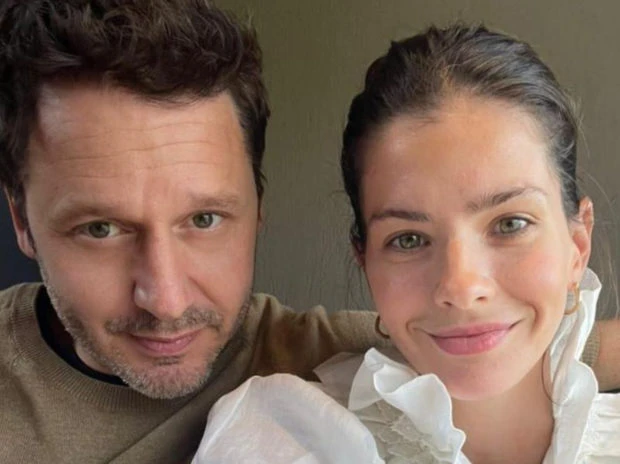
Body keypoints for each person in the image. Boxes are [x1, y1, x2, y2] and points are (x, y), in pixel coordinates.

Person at [194, 24, 620, 463]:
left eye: (510, 224)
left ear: (577, 244)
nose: (461, 287)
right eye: (409, 239)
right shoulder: (289, 441)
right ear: (365, 262)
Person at [0, 2, 390, 462]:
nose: (167, 302)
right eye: (100, 229)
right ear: (21, 221)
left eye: (204, 219)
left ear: (259, 206)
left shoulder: (370, 371)